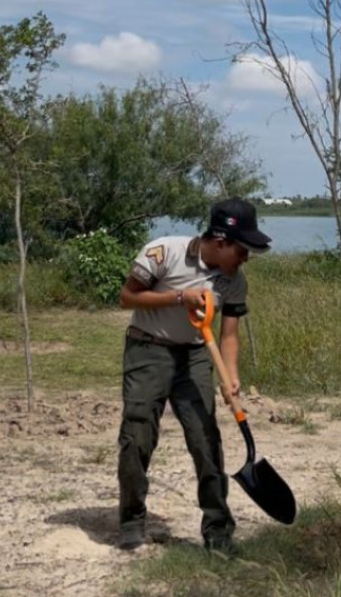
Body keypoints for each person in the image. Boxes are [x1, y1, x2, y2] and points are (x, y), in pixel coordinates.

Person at [115, 197, 271, 552]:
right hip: (147, 350)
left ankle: (217, 530)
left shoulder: (234, 282)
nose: (245, 259)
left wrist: (231, 376)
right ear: (220, 243)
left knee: (206, 440)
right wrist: (179, 297)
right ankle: (131, 520)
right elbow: (127, 297)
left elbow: (229, 334)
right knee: (137, 436)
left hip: (196, 356)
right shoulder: (164, 252)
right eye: (243, 251)